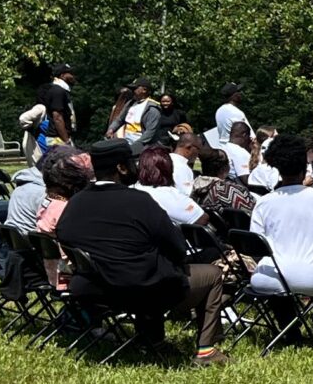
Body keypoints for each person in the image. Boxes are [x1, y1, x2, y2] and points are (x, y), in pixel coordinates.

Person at [55, 139, 229, 363]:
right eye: (132, 161)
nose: (136, 166)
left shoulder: (76, 202)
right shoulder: (139, 201)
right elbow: (176, 247)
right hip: (144, 290)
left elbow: (64, 236)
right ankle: (206, 350)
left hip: (95, 290)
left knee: (147, 269)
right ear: (121, 167)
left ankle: (154, 341)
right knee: (211, 275)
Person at [246, 134, 313, 346]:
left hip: (275, 275)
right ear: (304, 167)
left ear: (278, 168)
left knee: (277, 280)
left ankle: (291, 334)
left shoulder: (264, 203)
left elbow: (257, 244)